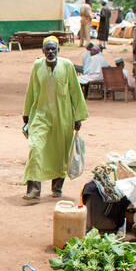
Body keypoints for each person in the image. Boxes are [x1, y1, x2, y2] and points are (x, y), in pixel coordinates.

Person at [23, 36, 86, 200]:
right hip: (41, 114)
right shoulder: (37, 66)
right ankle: (34, 190)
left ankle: (57, 187)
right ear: (43, 51)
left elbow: (75, 92)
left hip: (63, 117)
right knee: (36, 148)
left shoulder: (67, 66)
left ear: (58, 50)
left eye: (53, 49)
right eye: (47, 49)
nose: (50, 52)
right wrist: (27, 115)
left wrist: (77, 116)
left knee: (60, 153)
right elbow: (31, 90)